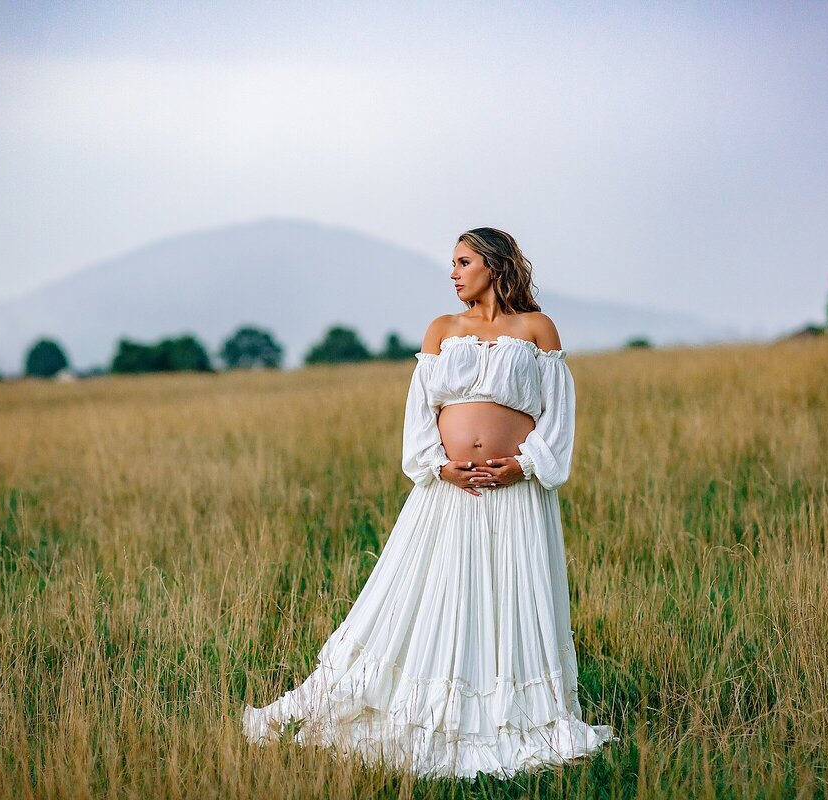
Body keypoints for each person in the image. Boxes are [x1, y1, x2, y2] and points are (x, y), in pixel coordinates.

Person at [242, 227, 616, 779]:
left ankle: (506, 714)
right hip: (448, 493)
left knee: (506, 598)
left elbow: (559, 418)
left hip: (515, 496)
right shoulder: (442, 331)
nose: (454, 272)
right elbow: (419, 416)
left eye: (463, 261)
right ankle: (425, 707)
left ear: (493, 265)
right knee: (436, 596)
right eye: (453, 263)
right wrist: (439, 466)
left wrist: (524, 464)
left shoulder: (537, 329)